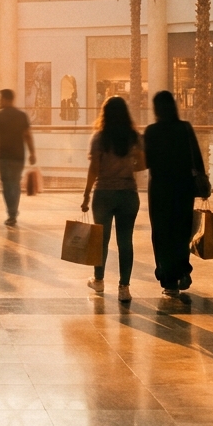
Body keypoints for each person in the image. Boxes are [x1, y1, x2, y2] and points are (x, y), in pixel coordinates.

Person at [80, 96, 143, 302]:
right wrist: (128, 166)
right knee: (125, 241)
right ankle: (124, 288)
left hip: (104, 194)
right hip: (128, 193)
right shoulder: (134, 137)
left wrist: (86, 194)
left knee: (102, 240)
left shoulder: (99, 138)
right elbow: (144, 163)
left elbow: (94, 169)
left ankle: (98, 280)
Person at [144, 91, 204, 297]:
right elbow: (196, 158)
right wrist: (202, 181)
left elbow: (146, 161)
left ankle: (168, 280)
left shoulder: (152, 131)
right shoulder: (185, 128)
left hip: (160, 189)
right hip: (183, 188)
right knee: (181, 231)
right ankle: (183, 271)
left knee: (162, 232)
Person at [0, 88, 36, 227]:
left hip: (3, 155)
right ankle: (13, 212)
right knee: (15, 183)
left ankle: (11, 213)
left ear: (5, 99)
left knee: (6, 184)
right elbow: (28, 135)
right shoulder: (21, 115)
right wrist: (32, 153)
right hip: (18, 155)